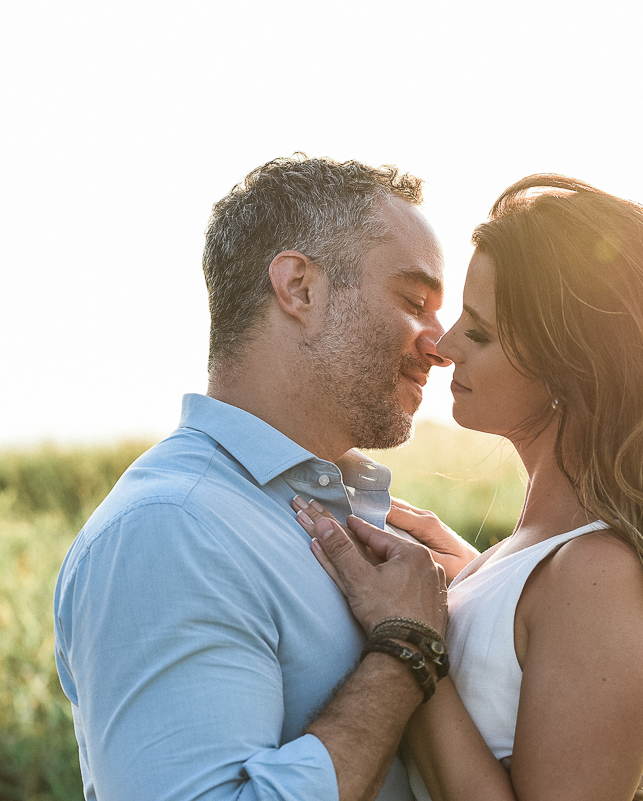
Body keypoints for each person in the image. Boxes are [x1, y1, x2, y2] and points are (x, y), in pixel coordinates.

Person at [295, 175, 643, 801]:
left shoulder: (603, 576)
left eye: (482, 332)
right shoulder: (547, 560)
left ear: (571, 369)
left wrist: (412, 642)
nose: (443, 345)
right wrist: (475, 589)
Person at [53, 155, 452, 801]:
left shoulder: (348, 512)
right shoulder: (171, 528)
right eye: (414, 301)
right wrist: (407, 653)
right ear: (299, 287)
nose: (442, 342)